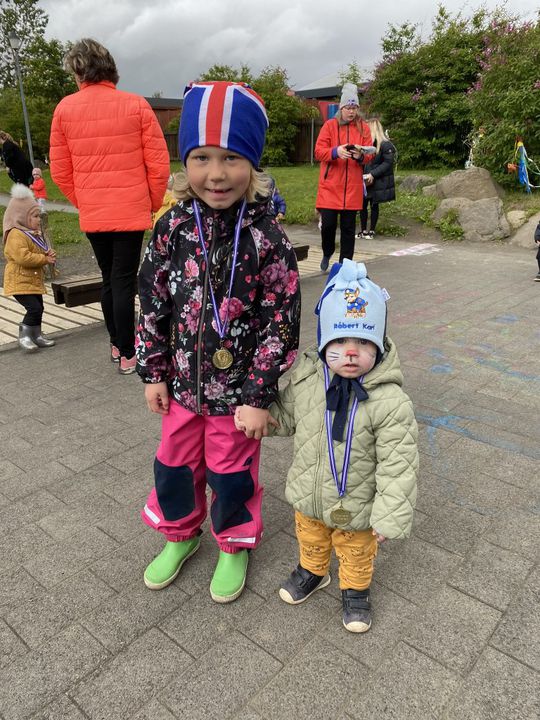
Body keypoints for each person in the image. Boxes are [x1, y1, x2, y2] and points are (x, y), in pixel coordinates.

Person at [136, 81, 301, 604]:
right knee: (175, 465)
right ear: (185, 162)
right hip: (182, 389)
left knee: (232, 473)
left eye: (231, 158)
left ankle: (233, 543)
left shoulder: (267, 236)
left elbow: (281, 320)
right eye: (201, 158)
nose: (216, 173)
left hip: (238, 398)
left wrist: (258, 395)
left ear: (252, 163)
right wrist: (154, 372)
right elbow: (152, 301)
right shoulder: (171, 228)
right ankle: (180, 535)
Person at [237, 260, 418, 632]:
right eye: (339, 341)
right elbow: (287, 415)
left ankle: (355, 590)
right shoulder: (309, 380)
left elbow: (399, 464)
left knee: (356, 551)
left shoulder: (391, 402)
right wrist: (259, 416)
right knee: (310, 537)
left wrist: (389, 515)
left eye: (363, 342)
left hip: (357, 504)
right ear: (323, 342)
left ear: (379, 345)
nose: (350, 352)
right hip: (310, 494)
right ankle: (313, 572)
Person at [49, 38, 170, 374]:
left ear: (78, 73)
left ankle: (118, 345)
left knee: (108, 280)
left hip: (94, 213)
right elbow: (158, 166)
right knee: (123, 281)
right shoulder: (136, 105)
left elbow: (60, 172)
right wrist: (151, 203)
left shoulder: (64, 110)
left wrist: (85, 200)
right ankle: (129, 352)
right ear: (110, 68)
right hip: (130, 211)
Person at [314, 83, 373, 272]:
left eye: (354, 107)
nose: (351, 111)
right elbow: (318, 152)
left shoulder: (363, 128)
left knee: (348, 229)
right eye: (348, 107)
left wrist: (360, 156)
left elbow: (370, 154)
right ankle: (327, 252)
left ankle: (344, 266)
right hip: (330, 187)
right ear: (341, 108)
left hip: (352, 188)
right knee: (328, 226)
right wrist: (336, 151)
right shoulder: (329, 126)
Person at [2, 184, 57, 352]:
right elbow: (23, 257)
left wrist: (46, 253)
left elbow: (34, 252)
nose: (39, 220)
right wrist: (44, 259)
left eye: (39, 216)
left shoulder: (30, 233)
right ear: (21, 217)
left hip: (31, 280)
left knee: (39, 308)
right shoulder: (15, 234)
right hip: (19, 280)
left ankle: (37, 335)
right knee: (34, 308)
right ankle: (24, 336)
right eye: (35, 216)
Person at [357, 118, 396, 239]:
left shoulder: (385, 145)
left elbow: (388, 163)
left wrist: (373, 174)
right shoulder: (367, 145)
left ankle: (372, 230)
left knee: (374, 204)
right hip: (365, 179)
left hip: (377, 179)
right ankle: (363, 230)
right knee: (362, 204)